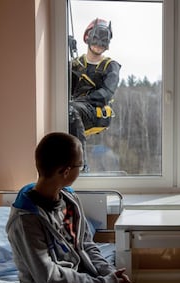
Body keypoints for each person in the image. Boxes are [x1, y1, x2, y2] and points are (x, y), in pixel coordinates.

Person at [6, 132, 141, 283]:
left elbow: (86, 245)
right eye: (81, 165)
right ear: (65, 171)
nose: (82, 169)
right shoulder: (25, 221)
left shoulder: (70, 202)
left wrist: (111, 275)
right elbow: (48, 278)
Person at [69, 18, 121, 172]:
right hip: (76, 107)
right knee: (64, 113)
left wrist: (84, 99)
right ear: (88, 37)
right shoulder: (75, 64)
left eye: (103, 42)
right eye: (96, 40)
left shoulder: (110, 66)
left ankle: (81, 165)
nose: (98, 45)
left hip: (95, 111)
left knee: (70, 111)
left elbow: (106, 93)